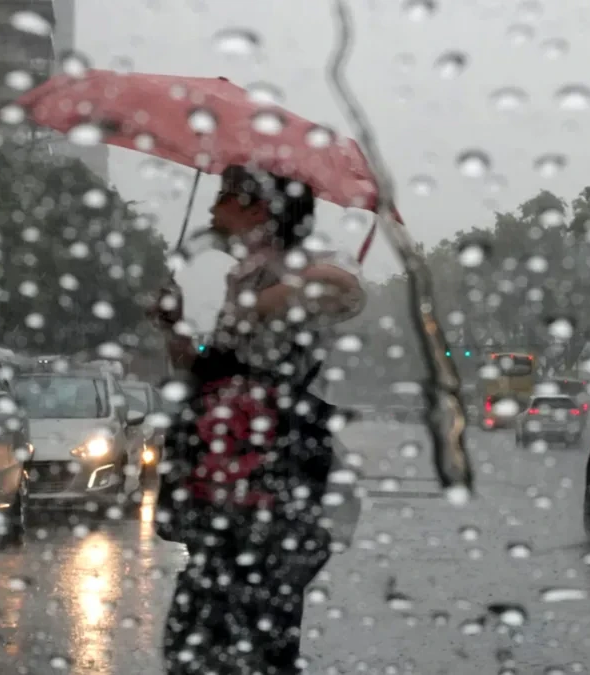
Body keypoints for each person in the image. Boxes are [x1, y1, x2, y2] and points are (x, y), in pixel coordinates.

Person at [150, 165, 365, 674]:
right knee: (199, 634)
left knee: (254, 634)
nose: (210, 208)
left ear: (256, 207)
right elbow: (208, 372)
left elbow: (349, 291)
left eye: (223, 196)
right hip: (226, 484)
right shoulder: (242, 274)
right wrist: (174, 327)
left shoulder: (293, 264)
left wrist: (265, 300)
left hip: (272, 487)